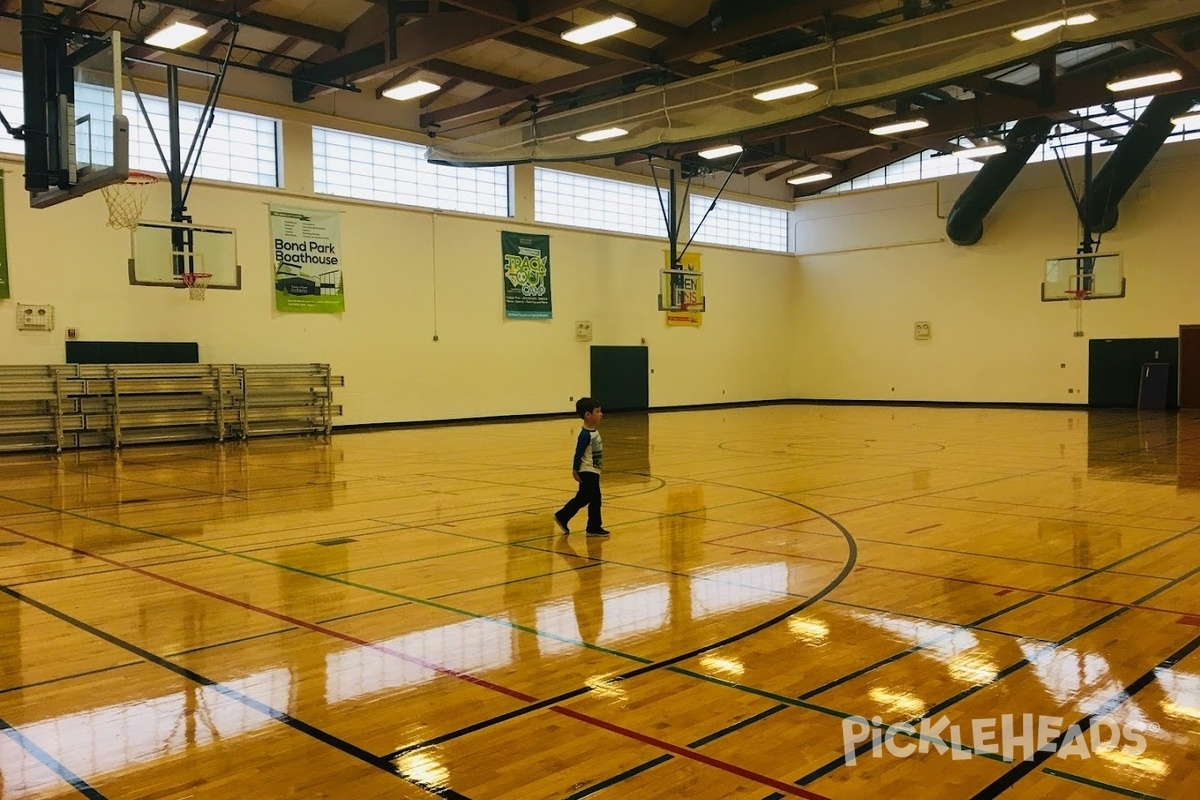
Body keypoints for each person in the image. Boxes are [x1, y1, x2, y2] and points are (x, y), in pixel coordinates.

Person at [554, 397, 610, 536]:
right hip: (587, 471)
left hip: (593, 470)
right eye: (597, 411)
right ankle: (593, 527)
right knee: (595, 498)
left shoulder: (593, 432)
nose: (601, 414)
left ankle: (563, 516)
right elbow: (578, 452)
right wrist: (575, 470)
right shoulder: (585, 435)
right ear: (588, 415)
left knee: (584, 498)